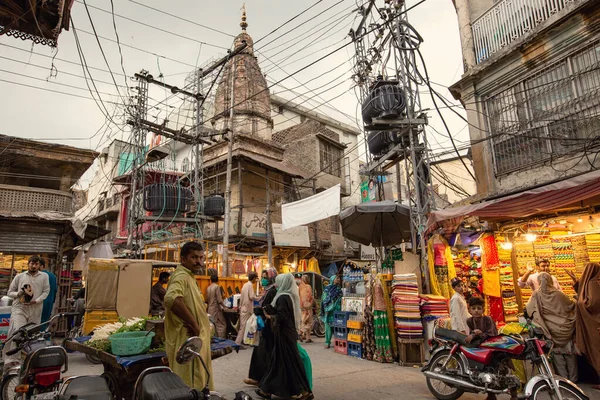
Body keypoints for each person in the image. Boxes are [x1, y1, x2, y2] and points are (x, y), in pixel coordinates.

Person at [164, 242, 213, 391]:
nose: (199, 261)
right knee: (189, 386)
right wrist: (194, 324)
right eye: (194, 257)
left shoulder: (190, 277)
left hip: (195, 342)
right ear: (183, 259)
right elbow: (171, 298)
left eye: (201, 257)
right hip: (187, 341)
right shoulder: (181, 276)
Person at [256, 274, 312, 400]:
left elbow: (282, 317)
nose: (276, 284)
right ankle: (266, 390)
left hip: (285, 336)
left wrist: (269, 316)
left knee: (292, 363)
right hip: (285, 334)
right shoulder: (288, 296)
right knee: (278, 364)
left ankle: (306, 392)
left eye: (278, 282)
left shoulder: (282, 297)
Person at [526, 272, 577, 382]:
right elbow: (571, 305)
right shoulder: (559, 294)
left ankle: (564, 380)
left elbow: (529, 309)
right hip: (565, 329)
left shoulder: (536, 295)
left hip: (550, 330)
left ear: (539, 282)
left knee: (558, 356)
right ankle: (574, 380)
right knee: (570, 355)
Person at [3, 256, 50, 363]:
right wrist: (19, 293)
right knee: (18, 333)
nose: (33, 266)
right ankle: (13, 360)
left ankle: (28, 359)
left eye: (36, 264)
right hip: (20, 308)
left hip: (35, 309)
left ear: (39, 265)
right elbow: (10, 292)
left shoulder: (44, 276)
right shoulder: (20, 277)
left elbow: (46, 291)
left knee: (32, 334)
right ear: (28, 264)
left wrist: (36, 301)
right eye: (32, 263)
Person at [244, 268, 278, 386]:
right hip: (264, 326)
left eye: (266, 277)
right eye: (262, 277)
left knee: (265, 353)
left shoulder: (273, 291)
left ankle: (262, 379)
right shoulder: (267, 290)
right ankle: (257, 378)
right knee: (259, 352)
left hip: (269, 327)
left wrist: (261, 311)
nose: (263, 280)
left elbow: (271, 309)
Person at [573, 262, 600, 389]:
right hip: (593, 325)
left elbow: (591, 304)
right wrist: (577, 284)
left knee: (596, 352)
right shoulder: (593, 283)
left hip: (593, 326)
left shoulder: (592, 283)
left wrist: (579, 303)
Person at [236, 272, 258, 346]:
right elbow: (252, 296)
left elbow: (241, 297)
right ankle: (238, 343)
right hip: (247, 309)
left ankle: (244, 341)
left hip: (243, 308)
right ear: (254, 278)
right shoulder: (250, 285)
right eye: (256, 278)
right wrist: (259, 298)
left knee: (244, 326)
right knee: (243, 327)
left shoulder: (245, 285)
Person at [321, 275, 342, 349]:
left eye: (339, 278)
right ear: (332, 279)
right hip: (329, 311)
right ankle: (327, 342)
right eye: (337, 278)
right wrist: (327, 307)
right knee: (328, 327)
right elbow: (324, 299)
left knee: (337, 325)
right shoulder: (327, 288)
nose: (338, 279)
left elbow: (340, 298)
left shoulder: (339, 289)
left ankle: (337, 342)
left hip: (337, 309)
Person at [206, 274, 226, 338]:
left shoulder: (208, 288)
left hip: (209, 309)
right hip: (215, 309)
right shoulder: (217, 287)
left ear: (211, 280)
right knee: (223, 324)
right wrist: (225, 306)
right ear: (217, 280)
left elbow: (207, 299)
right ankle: (220, 338)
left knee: (212, 326)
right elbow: (219, 300)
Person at [40, 259, 57, 324]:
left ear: (41, 266)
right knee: (45, 322)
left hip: (39, 302)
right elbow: (55, 290)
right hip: (49, 302)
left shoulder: (39, 275)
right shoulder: (52, 276)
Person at [298, 275, 314, 343]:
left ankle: (308, 338)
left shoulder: (300, 287)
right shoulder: (308, 287)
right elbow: (310, 296)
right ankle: (301, 332)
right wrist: (311, 304)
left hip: (301, 306)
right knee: (308, 321)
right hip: (307, 306)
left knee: (304, 320)